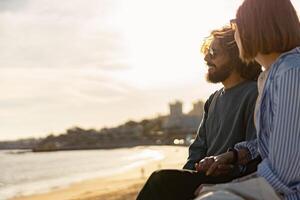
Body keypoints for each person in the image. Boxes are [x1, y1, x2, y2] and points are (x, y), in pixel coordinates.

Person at [136, 26, 262, 200]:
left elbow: (257, 150)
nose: (206, 58)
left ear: (236, 57)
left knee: (160, 180)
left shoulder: (255, 93)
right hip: (204, 177)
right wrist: (189, 174)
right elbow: (197, 149)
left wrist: (229, 166)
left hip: (234, 181)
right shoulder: (212, 100)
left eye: (213, 52)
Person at [195, 0, 300, 199]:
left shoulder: (291, 72)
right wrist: (235, 155)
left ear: (255, 27)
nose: (235, 34)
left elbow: (284, 176)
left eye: (236, 24)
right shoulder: (271, 75)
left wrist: (230, 187)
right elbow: (273, 145)